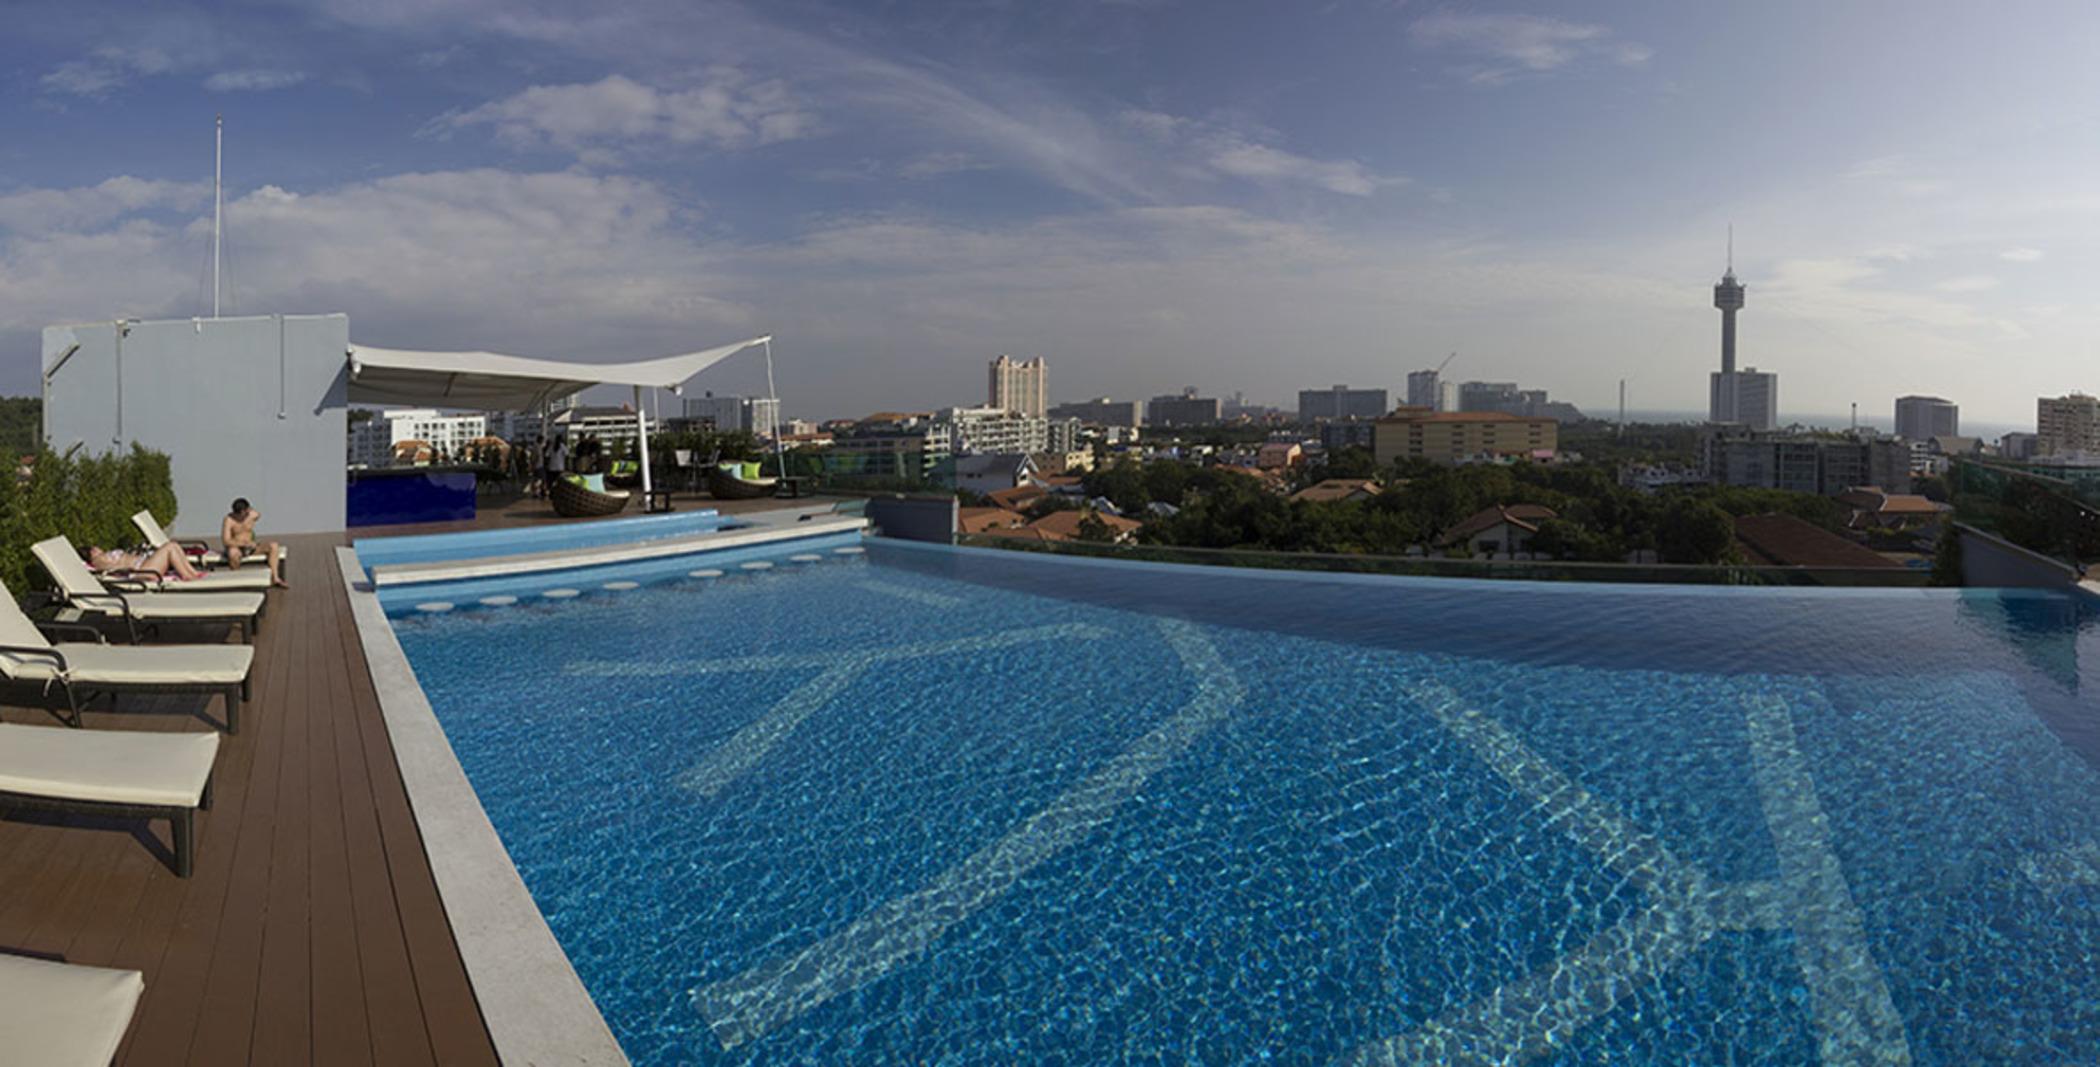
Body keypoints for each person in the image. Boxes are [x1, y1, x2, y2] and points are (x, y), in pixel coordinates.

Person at [222, 498, 288, 588]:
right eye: (239, 514)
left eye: (244, 513)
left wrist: (250, 542)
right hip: (237, 548)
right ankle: (236, 579)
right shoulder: (229, 520)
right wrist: (243, 544)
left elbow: (258, 515)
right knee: (233, 553)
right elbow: (226, 540)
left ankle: (275, 578)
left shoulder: (252, 515)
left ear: (247, 510)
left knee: (274, 546)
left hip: (251, 547)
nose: (241, 517)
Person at [86, 542, 204, 581]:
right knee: (170, 547)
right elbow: (109, 569)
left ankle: (192, 573)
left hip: (145, 565)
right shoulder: (97, 560)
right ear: (91, 552)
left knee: (173, 545)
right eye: (94, 548)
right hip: (142, 571)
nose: (97, 547)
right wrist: (121, 564)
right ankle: (187, 575)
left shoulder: (102, 556)